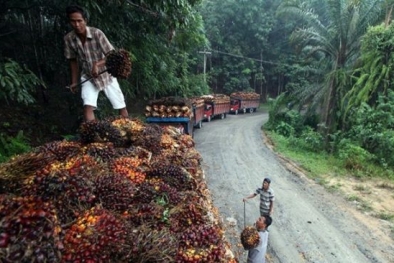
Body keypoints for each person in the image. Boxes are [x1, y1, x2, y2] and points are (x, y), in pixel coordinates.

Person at [64, 5, 128, 122]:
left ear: (85, 21)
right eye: (73, 21)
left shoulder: (96, 33)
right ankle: (93, 135)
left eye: (79, 21)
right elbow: (72, 61)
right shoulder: (69, 39)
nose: (77, 25)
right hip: (88, 76)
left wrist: (97, 65)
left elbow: (112, 54)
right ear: (69, 22)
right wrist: (74, 82)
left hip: (106, 75)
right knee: (87, 106)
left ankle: (128, 132)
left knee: (120, 105)